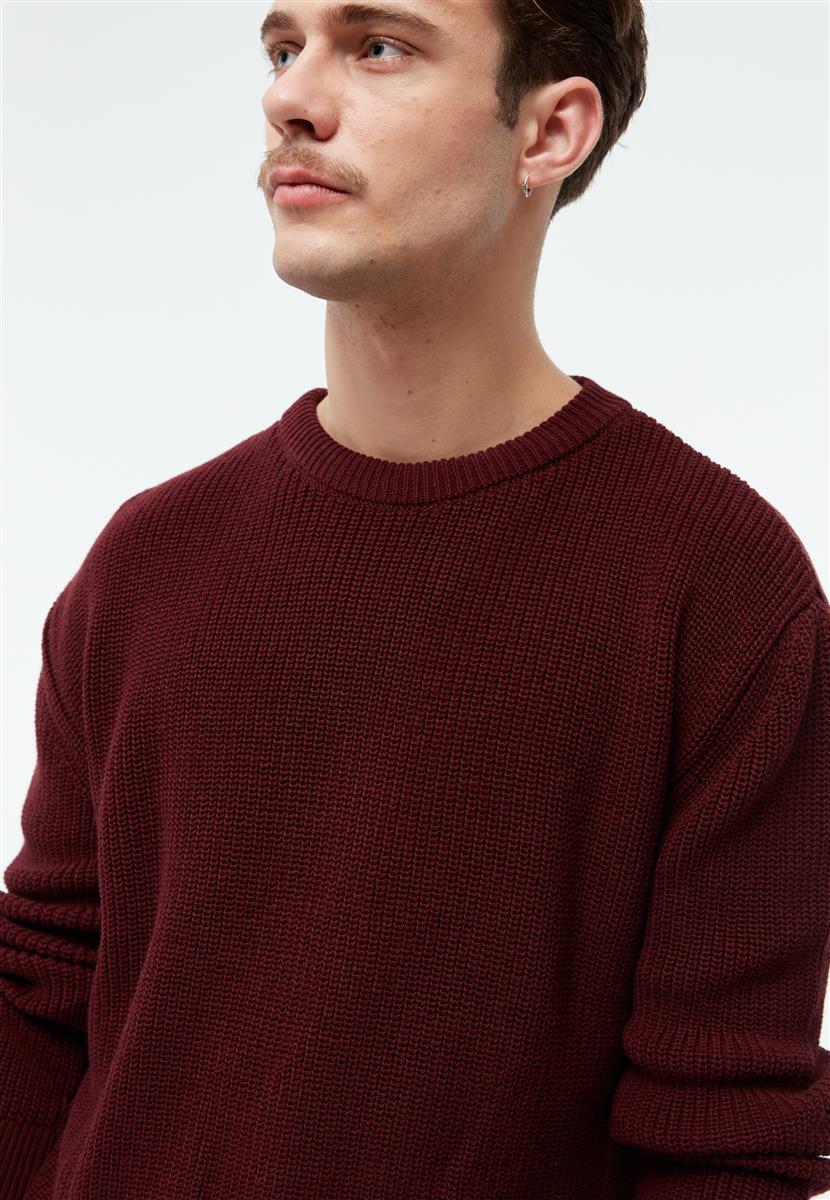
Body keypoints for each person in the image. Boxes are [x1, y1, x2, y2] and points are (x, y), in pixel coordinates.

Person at [2, 1, 829, 1197]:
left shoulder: (715, 590)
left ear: (549, 131)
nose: (290, 98)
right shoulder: (148, 563)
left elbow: (721, 1135)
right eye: (282, 49)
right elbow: (42, 994)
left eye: (377, 46)